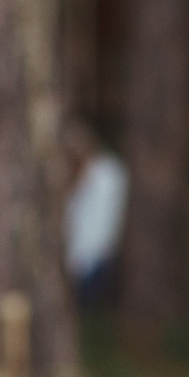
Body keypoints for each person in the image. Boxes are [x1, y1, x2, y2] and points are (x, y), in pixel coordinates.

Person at [63, 120, 127, 309]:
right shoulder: (81, 178)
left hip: (94, 265)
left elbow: (99, 233)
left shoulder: (106, 177)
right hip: (80, 261)